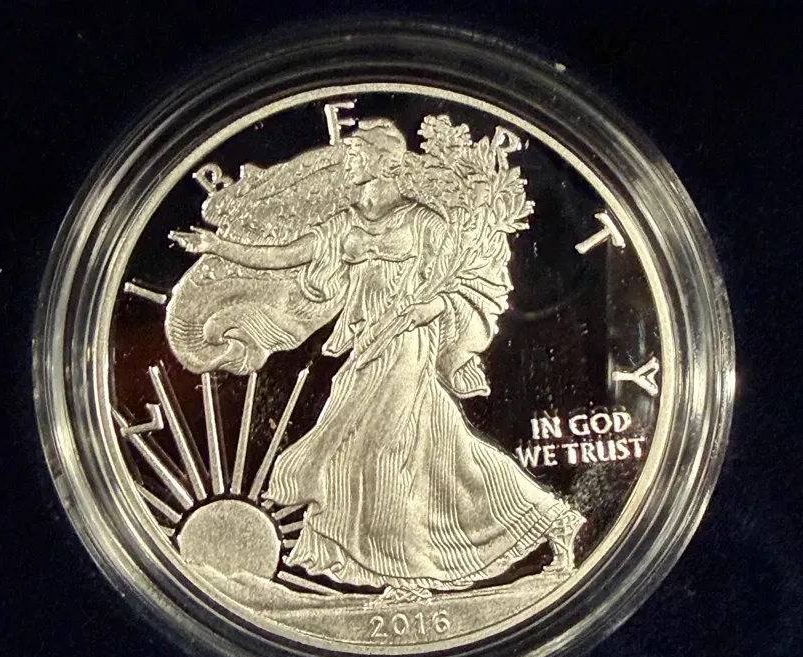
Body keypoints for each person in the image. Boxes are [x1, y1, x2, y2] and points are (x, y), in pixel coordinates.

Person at [170, 118, 584, 599]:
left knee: (380, 450)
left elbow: (463, 281)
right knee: (449, 455)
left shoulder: (426, 222)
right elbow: (284, 255)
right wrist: (216, 246)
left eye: (356, 155)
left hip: (408, 341)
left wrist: (430, 307)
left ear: (384, 162)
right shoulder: (344, 223)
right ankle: (555, 520)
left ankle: (408, 573)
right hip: (370, 343)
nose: (347, 163)